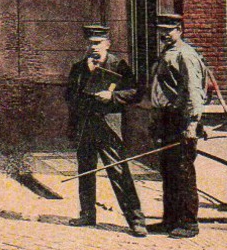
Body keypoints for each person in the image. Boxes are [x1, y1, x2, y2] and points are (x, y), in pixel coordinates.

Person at [64, 24, 147, 237]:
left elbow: (135, 92)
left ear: (107, 44)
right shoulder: (78, 67)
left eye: (98, 43)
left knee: (119, 172)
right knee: (86, 170)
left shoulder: (118, 65)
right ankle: (87, 214)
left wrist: (113, 96)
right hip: (85, 126)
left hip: (109, 128)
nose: (94, 47)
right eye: (90, 43)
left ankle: (136, 220)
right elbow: (69, 97)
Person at [148, 12, 207, 238]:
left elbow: (194, 91)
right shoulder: (168, 53)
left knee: (183, 172)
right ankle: (170, 220)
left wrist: (192, 123)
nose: (164, 34)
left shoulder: (185, 55)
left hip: (181, 120)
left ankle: (189, 223)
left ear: (180, 30)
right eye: (161, 31)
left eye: (169, 30)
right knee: (169, 171)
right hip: (166, 119)